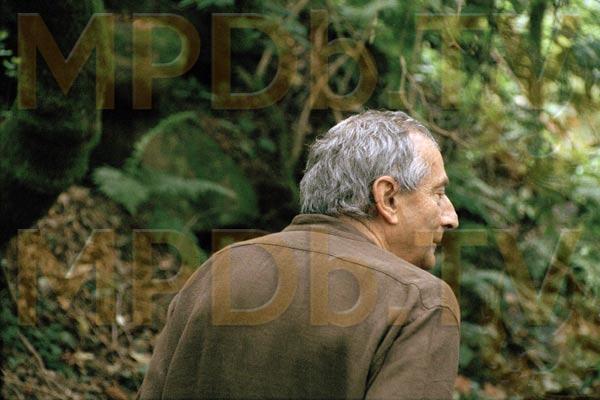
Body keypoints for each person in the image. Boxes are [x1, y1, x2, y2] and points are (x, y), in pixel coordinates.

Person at [138, 110, 460, 399]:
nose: (451, 217)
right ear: (387, 198)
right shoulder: (419, 302)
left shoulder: (217, 270)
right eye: (438, 194)